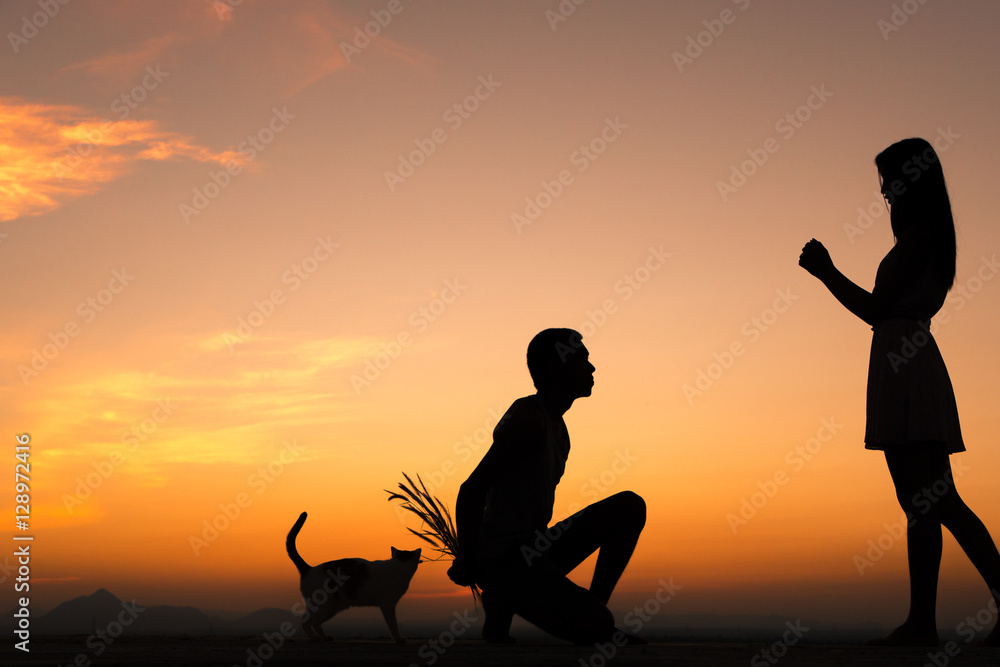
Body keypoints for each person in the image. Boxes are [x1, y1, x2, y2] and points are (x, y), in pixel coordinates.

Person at [799, 137, 1000, 646]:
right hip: (912, 361)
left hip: (904, 366)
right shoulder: (926, 236)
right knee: (942, 500)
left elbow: (876, 310)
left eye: (889, 180)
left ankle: (921, 625)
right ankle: (933, 619)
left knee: (922, 503)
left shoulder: (919, 238)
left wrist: (826, 272)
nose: (884, 191)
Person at [446, 328, 646, 644]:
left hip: (533, 549)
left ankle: (581, 613)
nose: (592, 368)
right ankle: (505, 595)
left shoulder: (558, 428)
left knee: (629, 507)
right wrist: (467, 559)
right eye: (583, 359)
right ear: (557, 367)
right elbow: (472, 489)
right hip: (506, 558)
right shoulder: (529, 418)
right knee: (597, 625)